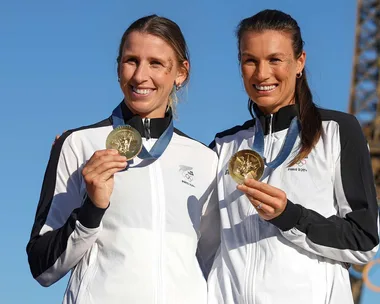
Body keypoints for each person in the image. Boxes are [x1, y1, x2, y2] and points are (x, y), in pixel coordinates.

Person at [26, 15, 220, 304]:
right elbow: (42, 268)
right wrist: (92, 208)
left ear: (181, 73)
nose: (140, 76)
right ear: (118, 68)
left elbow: (214, 263)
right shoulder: (78, 144)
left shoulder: (205, 159)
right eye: (131, 60)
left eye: (155, 63)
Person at [208, 9, 379, 304]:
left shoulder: (338, 131)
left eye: (275, 59)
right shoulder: (223, 146)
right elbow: (202, 243)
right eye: (250, 60)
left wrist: (291, 217)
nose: (262, 74)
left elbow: (364, 242)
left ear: (300, 61)